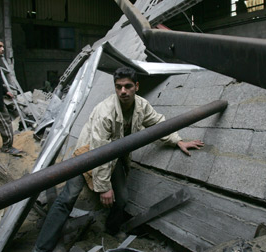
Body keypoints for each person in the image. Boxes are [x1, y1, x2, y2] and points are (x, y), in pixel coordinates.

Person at [33, 67, 204, 252]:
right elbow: (99, 151)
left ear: (136, 86)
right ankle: (41, 248)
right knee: (67, 198)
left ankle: (111, 229)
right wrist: (104, 187)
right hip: (88, 154)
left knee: (122, 198)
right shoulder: (105, 112)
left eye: (128, 86)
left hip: (112, 156)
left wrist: (177, 141)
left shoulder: (141, 105)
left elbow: (158, 123)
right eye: (119, 87)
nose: (123, 91)